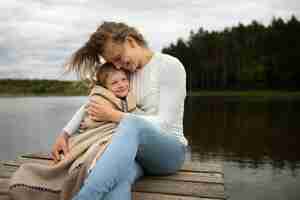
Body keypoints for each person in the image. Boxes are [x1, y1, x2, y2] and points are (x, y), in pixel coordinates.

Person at [51, 21, 188, 200]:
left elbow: (165, 123)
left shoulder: (169, 65)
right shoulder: (125, 74)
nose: (116, 66)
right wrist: (65, 134)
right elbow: (93, 103)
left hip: (169, 153)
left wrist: (113, 115)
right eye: (111, 62)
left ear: (130, 42)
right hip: (136, 156)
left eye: (117, 57)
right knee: (116, 182)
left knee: (132, 124)